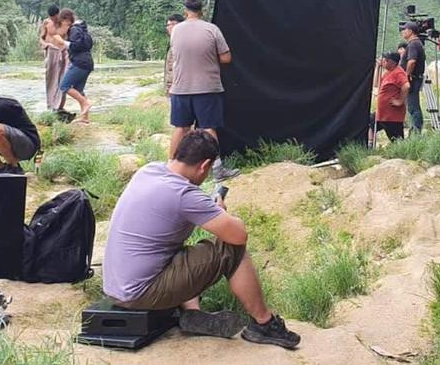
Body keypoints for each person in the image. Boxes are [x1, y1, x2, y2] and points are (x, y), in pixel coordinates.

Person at [103, 130, 301, 349]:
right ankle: (264, 324)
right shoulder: (183, 194)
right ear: (204, 165)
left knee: (181, 251)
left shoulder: (149, 170)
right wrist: (221, 212)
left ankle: (192, 313)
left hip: (116, 286)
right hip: (140, 293)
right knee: (230, 249)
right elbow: (238, 235)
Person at [167, 0, 231, 159]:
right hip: (207, 88)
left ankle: (171, 165)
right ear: (202, 11)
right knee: (208, 129)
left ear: (185, 11)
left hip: (180, 88)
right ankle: (216, 168)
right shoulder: (212, 29)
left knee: (181, 128)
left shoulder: (176, 31)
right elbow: (226, 58)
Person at [47, 8, 93, 123]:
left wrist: (63, 42)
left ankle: (85, 103)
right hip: (87, 62)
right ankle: (85, 117)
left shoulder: (74, 30)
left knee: (64, 86)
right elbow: (86, 45)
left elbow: (77, 46)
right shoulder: (81, 29)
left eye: (60, 23)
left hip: (80, 63)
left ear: (66, 21)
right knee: (78, 90)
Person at [371, 52, 409, 143]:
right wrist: (377, 68)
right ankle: (370, 143)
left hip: (392, 115)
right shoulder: (388, 73)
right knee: (369, 122)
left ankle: (402, 150)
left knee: (397, 140)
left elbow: (406, 86)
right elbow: (376, 84)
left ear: (393, 62)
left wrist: (400, 100)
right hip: (382, 114)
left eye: (386, 60)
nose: (384, 62)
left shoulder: (398, 73)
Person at [39, 5, 67, 112]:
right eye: (51, 18)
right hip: (50, 53)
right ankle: (50, 105)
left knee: (63, 79)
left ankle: (60, 106)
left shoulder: (65, 23)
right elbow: (41, 39)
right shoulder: (46, 23)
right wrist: (46, 45)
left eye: (55, 17)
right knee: (50, 79)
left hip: (63, 54)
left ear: (58, 14)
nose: (53, 20)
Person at [400, 22, 426, 134]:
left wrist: (406, 75)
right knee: (413, 105)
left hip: (413, 79)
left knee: (413, 106)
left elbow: (412, 61)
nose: (402, 32)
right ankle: (415, 129)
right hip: (415, 78)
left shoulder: (413, 44)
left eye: (404, 30)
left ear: (410, 31)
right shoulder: (416, 43)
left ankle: (416, 131)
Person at [163, 14, 184, 95]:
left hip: (179, 89)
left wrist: (171, 86)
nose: (169, 27)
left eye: (172, 24)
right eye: (168, 25)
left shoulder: (182, 42)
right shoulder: (172, 41)